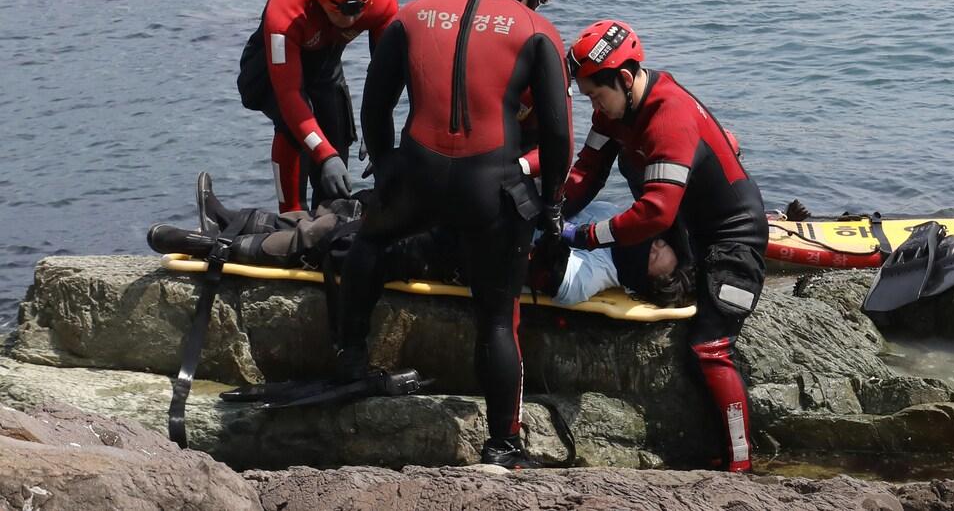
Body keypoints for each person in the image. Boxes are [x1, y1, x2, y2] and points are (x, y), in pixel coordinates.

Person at [339, 0, 573, 469]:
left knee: (371, 240)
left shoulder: (417, 11)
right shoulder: (537, 29)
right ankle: (503, 446)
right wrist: (553, 203)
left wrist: (387, 164)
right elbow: (559, 137)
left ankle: (350, 356)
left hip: (418, 175)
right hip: (489, 187)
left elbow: (375, 101)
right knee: (496, 316)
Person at [561, 20, 767, 472]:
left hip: (734, 240)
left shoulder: (668, 115)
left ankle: (741, 464)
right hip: (687, 234)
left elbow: (654, 213)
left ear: (626, 78)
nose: (595, 106)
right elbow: (588, 171)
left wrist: (587, 235)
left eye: (598, 95)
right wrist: (553, 213)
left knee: (708, 347)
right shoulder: (613, 112)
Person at [146, 177, 692, 309]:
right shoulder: (613, 232)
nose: (656, 244)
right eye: (660, 242)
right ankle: (234, 217)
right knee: (361, 203)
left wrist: (544, 234)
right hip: (469, 225)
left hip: (457, 255)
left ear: (649, 277)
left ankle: (213, 245)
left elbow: (553, 282)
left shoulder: (598, 274)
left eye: (658, 255)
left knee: (339, 238)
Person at [238, 0, 399, 214]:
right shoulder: (287, 7)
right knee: (298, 130)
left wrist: (377, 131)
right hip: (269, 71)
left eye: (357, 11)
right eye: (338, 11)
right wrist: (323, 155)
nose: (349, 20)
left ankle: (328, 221)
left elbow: (387, 77)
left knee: (337, 137)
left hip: (325, 67)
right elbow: (289, 95)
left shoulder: (382, 2)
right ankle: (291, 215)